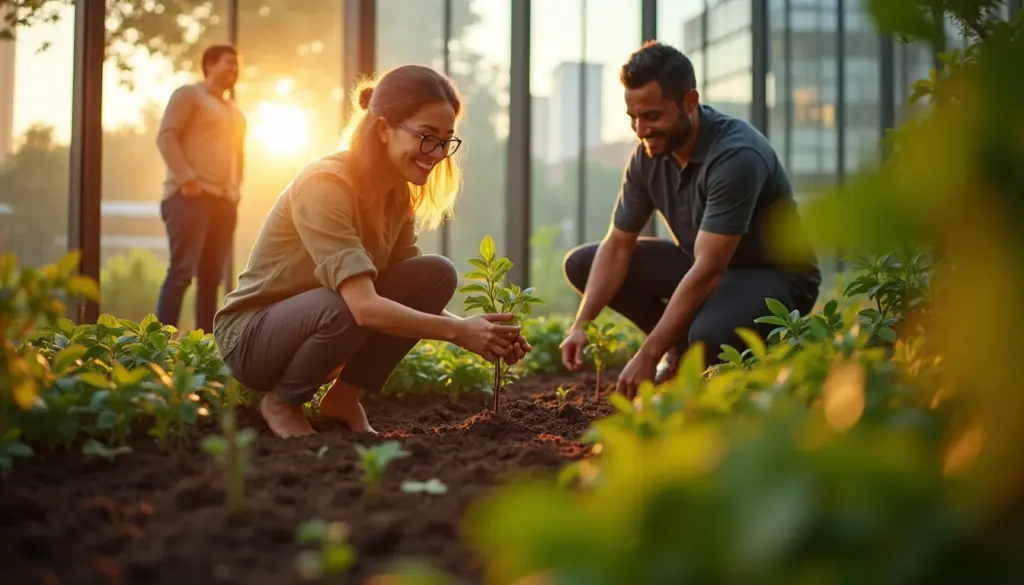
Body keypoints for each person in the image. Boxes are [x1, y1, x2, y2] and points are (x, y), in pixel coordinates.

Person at [213, 65, 531, 438]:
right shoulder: (325, 185)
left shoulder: (397, 195)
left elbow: (414, 295)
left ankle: (344, 397)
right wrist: (458, 332)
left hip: (327, 320)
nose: (437, 153)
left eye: (446, 140)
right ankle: (282, 402)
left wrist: (481, 332)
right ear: (383, 129)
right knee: (347, 305)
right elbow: (364, 307)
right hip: (252, 339)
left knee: (435, 275)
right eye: (427, 136)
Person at [560, 41, 821, 398]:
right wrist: (581, 325)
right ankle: (681, 346)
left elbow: (710, 271)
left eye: (653, 116)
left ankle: (722, 349)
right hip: (703, 263)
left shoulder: (736, 155)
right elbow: (618, 245)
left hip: (773, 275)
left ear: (690, 102)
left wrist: (648, 353)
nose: (641, 129)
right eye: (633, 117)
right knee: (582, 264)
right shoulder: (648, 154)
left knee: (708, 338)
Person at [155, 44, 246, 334]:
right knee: (181, 273)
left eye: (237, 64)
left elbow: (239, 155)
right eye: (228, 62)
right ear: (209, 65)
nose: (234, 69)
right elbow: (166, 136)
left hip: (224, 201)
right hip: (188, 198)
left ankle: (204, 345)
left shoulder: (236, 113)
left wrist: (235, 190)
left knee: (212, 279)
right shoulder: (190, 95)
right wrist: (187, 179)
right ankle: (158, 345)